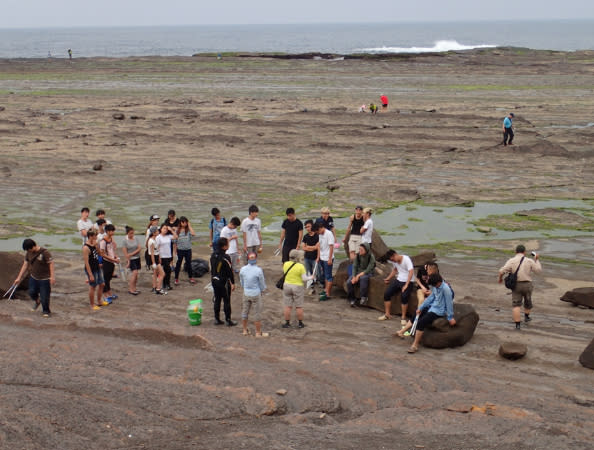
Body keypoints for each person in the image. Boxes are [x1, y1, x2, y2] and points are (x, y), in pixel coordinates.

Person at [396, 274, 455, 354]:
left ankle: (415, 345)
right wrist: (420, 308)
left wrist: (450, 317)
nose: (434, 287)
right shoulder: (435, 287)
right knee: (416, 315)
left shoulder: (446, 289)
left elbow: (449, 303)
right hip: (432, 306)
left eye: (435, 285)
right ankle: (401, 331)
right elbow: (431, 298)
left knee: (421, 323)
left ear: (439, 282)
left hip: (439, 311)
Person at [498, 244, 542, 329]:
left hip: (516, 285)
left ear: (515, 252)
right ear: (524, 252)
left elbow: (501, 271)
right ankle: (527, 317)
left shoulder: (511, 260)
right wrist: (536, 259)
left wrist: (500, 279)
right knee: (528, 301)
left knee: (516, 305)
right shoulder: (529, 261)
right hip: (527, 284)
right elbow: (538, 271)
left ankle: (517, 325)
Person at [13, 238, 55, 317]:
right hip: (33, 277)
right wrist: (18, 278)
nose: (28, 252)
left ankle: (46, 311)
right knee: (31, 292)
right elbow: (25, 264)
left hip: (44, 279)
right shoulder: (28, 253)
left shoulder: (45, 253)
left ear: (33, 246)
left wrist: (52, 277)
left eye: (29, 250)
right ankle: (37, 301)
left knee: (44, 296)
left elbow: (51, 263)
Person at [381, 249, 415, 324]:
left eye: (393, 259)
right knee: (387, 294)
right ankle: (387, 314)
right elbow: (395, 270)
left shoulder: (406, 259)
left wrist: (406, 284)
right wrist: (388, 278)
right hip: (399, 279)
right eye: (391, 260)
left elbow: (411, 272)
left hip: (408, 281)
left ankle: (403, 317)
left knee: (404, 296)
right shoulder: (395, 262)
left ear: (395, 254)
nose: (393, 261)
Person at [239, 252, 268, 337]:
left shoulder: (243, 269)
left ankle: (244, 330)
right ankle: (258, 332)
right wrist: (262, 290)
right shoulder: (258, 270)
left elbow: (242, 281)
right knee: (257, 313)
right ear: (256, 259)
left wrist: (245, 287)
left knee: (245, 311)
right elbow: (262, 283)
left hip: (246, 292)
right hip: (255, 292)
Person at [210, 237, 237, 326]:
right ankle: (228, 320)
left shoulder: (213, 255)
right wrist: (232, 283)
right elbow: (230, 271)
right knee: (226, 300)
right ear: (224, 247)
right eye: (228, 244)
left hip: (214, 280)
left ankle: (217, 319)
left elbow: (213, 269)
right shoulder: (226, 257)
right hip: (223, 282)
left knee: (217, 299)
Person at [282, 249, 311, 329]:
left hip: (287, 285)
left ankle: (287, 323)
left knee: (287, 306)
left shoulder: (285, 264)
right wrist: (311, 277)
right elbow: (304, 279)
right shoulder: (301, 266)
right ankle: (300, 323)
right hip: (297, 286)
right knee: (299, 306)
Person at [83, 230, 106, 310]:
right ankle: (92, 304)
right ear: (90, 236)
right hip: (91, 269)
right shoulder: (86, 248)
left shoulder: (95, 244)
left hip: (97, 267)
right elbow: (86, 262)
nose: (96, 237)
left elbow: (99, 254)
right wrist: (90, 275)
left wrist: (97, 247)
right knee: (93, 286)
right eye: (95, 236)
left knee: (102, 284)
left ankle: (99, 300)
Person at [346, 243, 375, 307]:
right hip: (359, 271)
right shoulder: (358, 256)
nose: (360, 251)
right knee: (349, 282)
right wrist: (354, 276)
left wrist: (358, 276)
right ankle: (352, 299)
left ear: (366, 250)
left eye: (361, 250)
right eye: (359, 249)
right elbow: (354, 266)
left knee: (363, 278)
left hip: (368, 272)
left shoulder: (371, 257)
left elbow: (368, 269)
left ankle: (364, 297)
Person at [99, 224, 119, 303]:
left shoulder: (110, 240)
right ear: (107, 231)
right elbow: (102, 254)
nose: (113, 232)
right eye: (111, 231)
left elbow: (112, 250)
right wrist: (112, 259)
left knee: (109, 278)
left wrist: (115, 256)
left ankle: (109, 293)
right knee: (105, 279)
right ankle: (105, 295)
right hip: (107, 262)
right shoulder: (103, 241)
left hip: (111, 261)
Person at [315, 221, 335, 300]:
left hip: (328, 258)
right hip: (322, 257)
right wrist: (318, 257)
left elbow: (331, 247)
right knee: (325, 275)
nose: (318, 233)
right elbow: (320, 245)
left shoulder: (329, 233)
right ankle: (326, 290)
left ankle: (328, 294)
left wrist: (330, 258)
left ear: (321, 228)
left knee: (328, 276)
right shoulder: (320, 234)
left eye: (318, 231)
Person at [174, 216, 196, 285]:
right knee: (178, 264)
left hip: (188, 250)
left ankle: (190, 277)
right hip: (180, 250)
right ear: (180, 223)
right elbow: (175, 242)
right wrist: (174, 251)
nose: (184, 224)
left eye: (186, 222)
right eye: (183, 222)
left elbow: (193, 234)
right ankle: (176, 278)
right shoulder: (177, 231)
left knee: (189, 264)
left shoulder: (188, 230)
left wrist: (189, 226)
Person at [156, 224, 178, 291]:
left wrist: (171, 230)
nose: (165, 230)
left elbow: (176, 237)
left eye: (166, 229)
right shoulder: (158, 237)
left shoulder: (168, 236)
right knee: (166, 270)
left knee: (167, 271)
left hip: (168, 255)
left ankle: (166, 284)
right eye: (164, 228)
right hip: (162, 256)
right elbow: (157, 248)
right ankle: (165, 284)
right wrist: (159, 256)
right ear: (161, 229)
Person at [122, 226, 141, 295]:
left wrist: (131, 253)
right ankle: (131, 289)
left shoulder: (136, 238)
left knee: (136, 274)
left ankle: (135, 288)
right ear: (127, 233)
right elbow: (125, 253)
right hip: (131, 259)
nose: (132, 235)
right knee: (134, 272)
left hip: (137, 258)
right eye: (130, 233)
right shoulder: (125, 241)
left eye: (133, 233)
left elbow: (139, 248)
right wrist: (128, 260)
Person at [301, 219, 319, 293]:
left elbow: (317, 247)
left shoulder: (317, 236)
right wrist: (312, 248)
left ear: (312, 226)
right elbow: (303, 247)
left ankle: (316, 281)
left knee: (316, 272)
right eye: (306, 227)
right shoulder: (305, 236)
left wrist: (309, 247)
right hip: (307, 257)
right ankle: (311, 285)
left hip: (315, 257)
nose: (307, 228)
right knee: (309, 271)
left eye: (308, 226)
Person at [147, 226, 165, 295]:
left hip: (156, 257)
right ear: (154, 233)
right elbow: (152, 253)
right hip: (153, 258)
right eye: (157, 231)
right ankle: (158, 289)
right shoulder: (151, 241)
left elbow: (157, 250)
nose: (158, 231)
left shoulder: (155, 239)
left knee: (155, 273)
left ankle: (154, 287)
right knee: (162, 274)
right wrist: (154, 263)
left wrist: (159, 258)